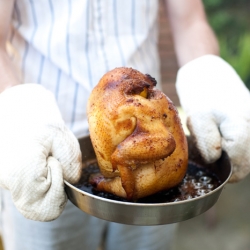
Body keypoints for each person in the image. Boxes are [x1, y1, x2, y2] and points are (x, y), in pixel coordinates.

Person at [0, 0, 249, 250]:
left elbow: (190, 22)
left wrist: (207, 74)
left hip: (153, 150)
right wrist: (15, 105)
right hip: (40, 147)